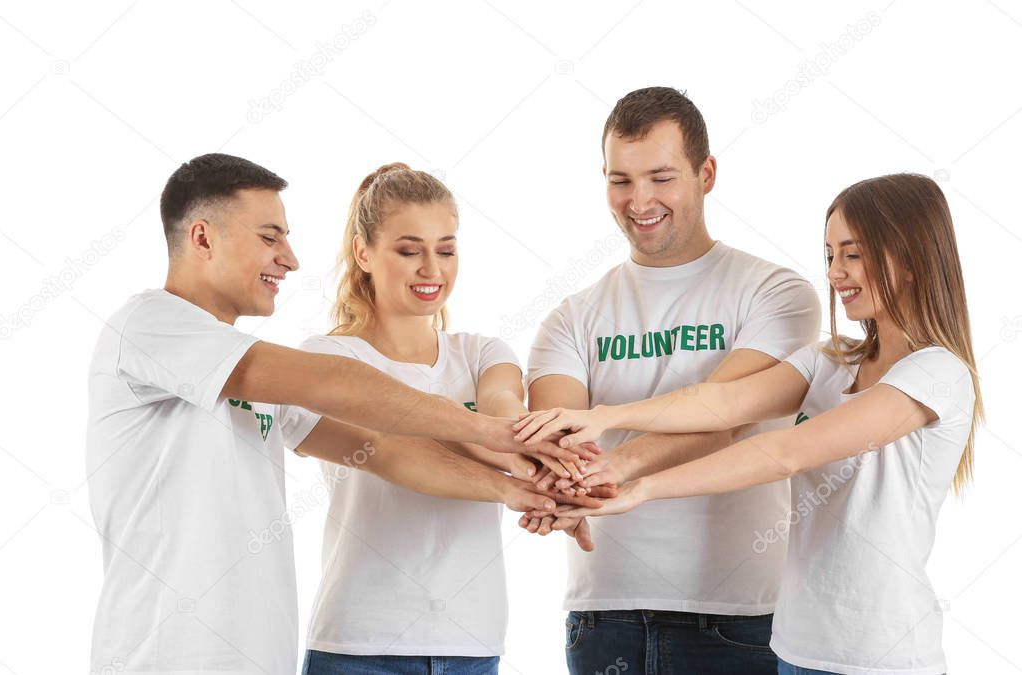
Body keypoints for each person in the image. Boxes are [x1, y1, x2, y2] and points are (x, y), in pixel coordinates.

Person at [85, 153, 593, 675]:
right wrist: (494, 431)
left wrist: (518, 490)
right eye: (269, 237)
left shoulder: (246, 371)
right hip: (165, 658)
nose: (290, 259)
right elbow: (332, 380)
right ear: (202, 238)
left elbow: (385, 452)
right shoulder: (149, 326)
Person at [525, 173, 983, 675]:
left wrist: (642, 488)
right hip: (795, 649)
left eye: (853, 254)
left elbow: (785, 453)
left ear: (912, 258)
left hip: (883, 658)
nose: (836, 273)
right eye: (830, 255)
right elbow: (721, 404)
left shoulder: (937, 373)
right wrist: (605, 417)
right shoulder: (829, 360)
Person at [521, 86, 822, 673]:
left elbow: (725, 418)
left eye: (661, 177)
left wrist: (613, 467)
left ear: (706, 173)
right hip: (603, 612)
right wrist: (558, 482)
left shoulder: (778, 293)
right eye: (621, 180)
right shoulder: (571, 315)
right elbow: (558, 440)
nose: (640, 200)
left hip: (738, 612)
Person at [288, 163, 607, 675]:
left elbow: (502, 410)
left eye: (447, 249)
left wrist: (553, 480)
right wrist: (519, 476)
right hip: (359, 643)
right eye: (409, 251)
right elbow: (393, 446)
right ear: (362, 252)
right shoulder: (326, 361)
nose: (432, 270)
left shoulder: (483, 352)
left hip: (472, 644)